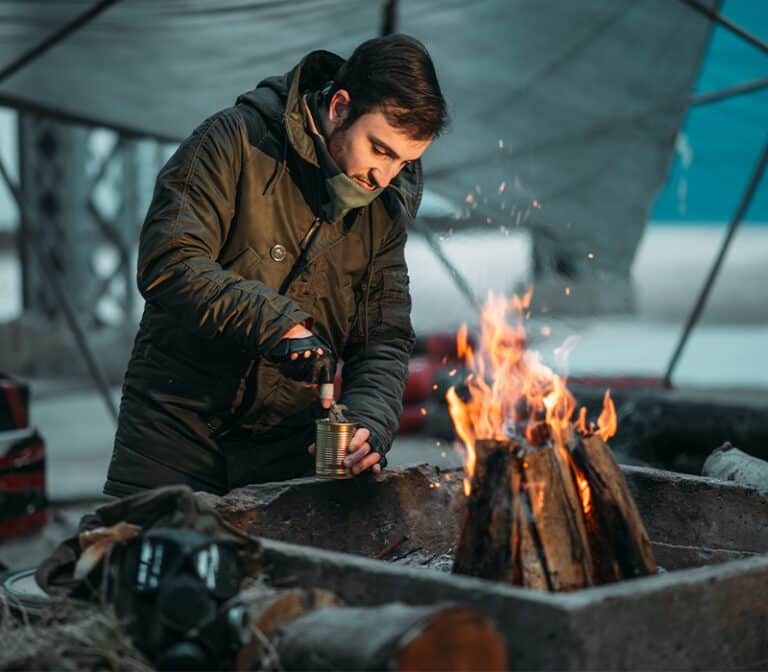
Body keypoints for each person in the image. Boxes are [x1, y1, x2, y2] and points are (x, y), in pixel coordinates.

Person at [103, 34, 448, 497]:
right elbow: (171, 260)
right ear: (339, 108)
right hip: (171, 435)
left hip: (286, 452)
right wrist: (278, 324)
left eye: (404, 162)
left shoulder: (381, 214)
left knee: (278, 570)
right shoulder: (232, 143)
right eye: (380, 150)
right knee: (144, 562)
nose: (383, 177)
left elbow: (382, 341)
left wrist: (368, 426)